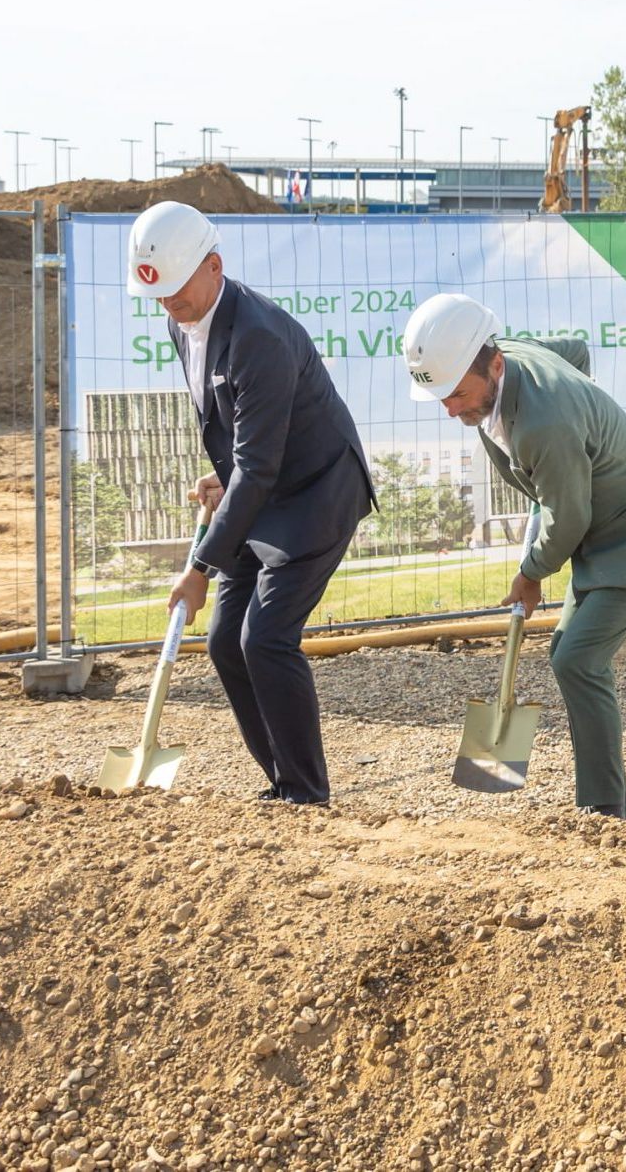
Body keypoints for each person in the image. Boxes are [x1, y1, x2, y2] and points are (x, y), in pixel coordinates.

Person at [401, 294, 626, 818]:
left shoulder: (545, 424)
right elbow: (576, 350)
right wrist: (578, 439)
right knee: (570, 656)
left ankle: (604, 810)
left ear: (493, 365)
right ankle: (615, 805)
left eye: (456, 394)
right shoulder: (508, 357)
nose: (450, 409)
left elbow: (567, 518)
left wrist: (530, 573)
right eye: (440, 397)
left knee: (578, 659)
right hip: (604, 525)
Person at [132, 201, 374, 806]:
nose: (167, 303)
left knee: (264, 638)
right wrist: (226, 476)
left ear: (214, 266)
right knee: (224, 642)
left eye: (176, 288)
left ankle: (306, 791)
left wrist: (199, 569)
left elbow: (260, 465)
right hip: (259, 492)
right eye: (157, 294)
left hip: (316, 494)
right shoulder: (183, 319)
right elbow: (242, 437)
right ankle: (281, 780)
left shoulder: (258, 336)